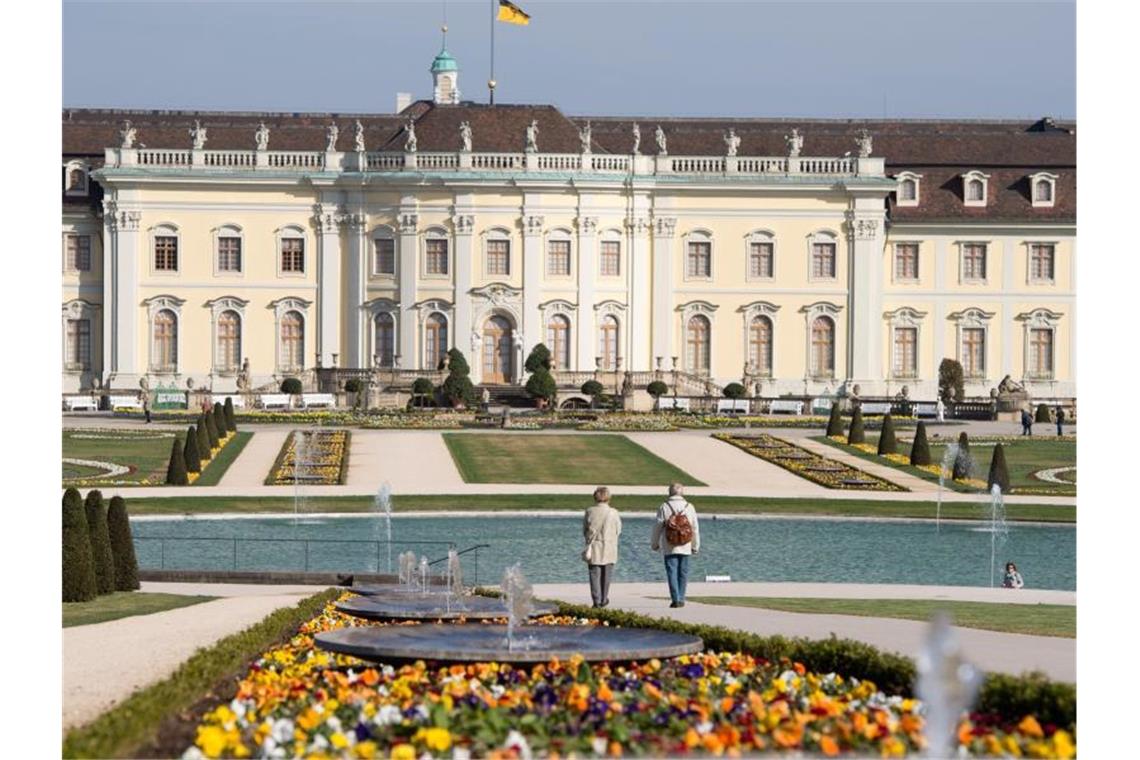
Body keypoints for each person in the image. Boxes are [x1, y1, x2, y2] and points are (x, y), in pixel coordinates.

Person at [650, 483, 700, 608]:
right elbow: (694, 528)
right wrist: (695, 545)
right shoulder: (689, 507)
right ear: (682, 493)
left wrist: (654, 543)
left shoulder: (664, 506)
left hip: (669, 544)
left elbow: (657, 527)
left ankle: (675, 598)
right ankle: (682, 597)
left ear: (669, 493)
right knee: (683, 572)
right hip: (685, 544)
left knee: (672, 571)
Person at [582, 486, 622, 608]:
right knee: (607, 575)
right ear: (608, 498)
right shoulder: (614, 512)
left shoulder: (590, 511)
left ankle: (596, 600)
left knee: (594, 575)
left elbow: (585, 530)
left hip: (594, 547)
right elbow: (618, 530)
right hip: (609, 547)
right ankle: (604, 598)